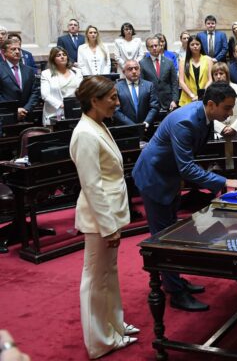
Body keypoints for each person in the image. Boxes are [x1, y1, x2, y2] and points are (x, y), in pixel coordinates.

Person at [133, 83, 237, 311]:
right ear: (210, 104)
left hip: (169, 176)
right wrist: (224, 182)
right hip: (154, 178)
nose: (229, 113)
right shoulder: (185, 121)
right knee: (163, 239)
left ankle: (173, 280)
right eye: (226, 108)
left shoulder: (204, 116)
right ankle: (176, 293)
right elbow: (187, 167)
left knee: (172, 232)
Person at [70, 76, 138, 358]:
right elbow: (92, 185)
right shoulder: (85, 132)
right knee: (95, 280)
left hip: (110, 214)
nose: (117, 102)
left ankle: (114, 326)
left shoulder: (97, 125)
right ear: (94, 101)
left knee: (108, 275)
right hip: (100, 219)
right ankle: (99, 341)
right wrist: (109, 227)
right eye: (111, 97)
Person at [40, 46, 83, 125]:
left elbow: (82, 90)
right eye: (58, 55)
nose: (62, 57)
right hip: (55, 113)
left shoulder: (77, 72)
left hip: (75, 111)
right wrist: (62, 105)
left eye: (64, 54)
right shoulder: (46, 74)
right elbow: (45, 95)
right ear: (53, 59)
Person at [0, 39, 40, 121]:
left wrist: (26, 109)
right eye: (13, 49)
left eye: (19, 49)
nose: (17, 51)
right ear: (4, 52)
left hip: (27, 115)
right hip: (6, 115)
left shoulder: (29, 70)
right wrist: (15, 110)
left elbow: (35, 92)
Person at [112, 59, 159, 128]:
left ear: (140, 70)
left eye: (136, 68)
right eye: (130, 69)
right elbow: (116, 110)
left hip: (147, 128)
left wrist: (146, 123)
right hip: (125, 129)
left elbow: (154, 107)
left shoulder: (149, 85)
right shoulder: (116, 87)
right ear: (124, 72)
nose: (134, 71)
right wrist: (133, 126)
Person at [140, 36, 179, 112]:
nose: (154, 48)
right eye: (151, 46)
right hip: (150, 104)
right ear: (147, 48)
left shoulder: (169, 62)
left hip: (168, 103)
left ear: (160, 46)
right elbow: (142, 85)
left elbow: (174, 83)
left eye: (156, 45)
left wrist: (174, 100)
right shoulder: (142, 63)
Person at [210, 62, 237, 139]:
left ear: (227, 75)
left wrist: (233, 128)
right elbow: (209, 114)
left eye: (221, 73)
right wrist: (222, 128)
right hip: (218, 134)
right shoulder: (209, 91)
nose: (218, 76)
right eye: (215, 74)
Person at [178, 36, 212, 107]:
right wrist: (192, 95)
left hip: (205, 98)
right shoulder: (183, 61)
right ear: (189, 46)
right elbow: (181, 81)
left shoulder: (208, 60)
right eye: (192, 44)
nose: (195, 46)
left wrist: (201, 95)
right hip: (188, 98)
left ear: (201, 45)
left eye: (197, 44)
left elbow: (210, 80)